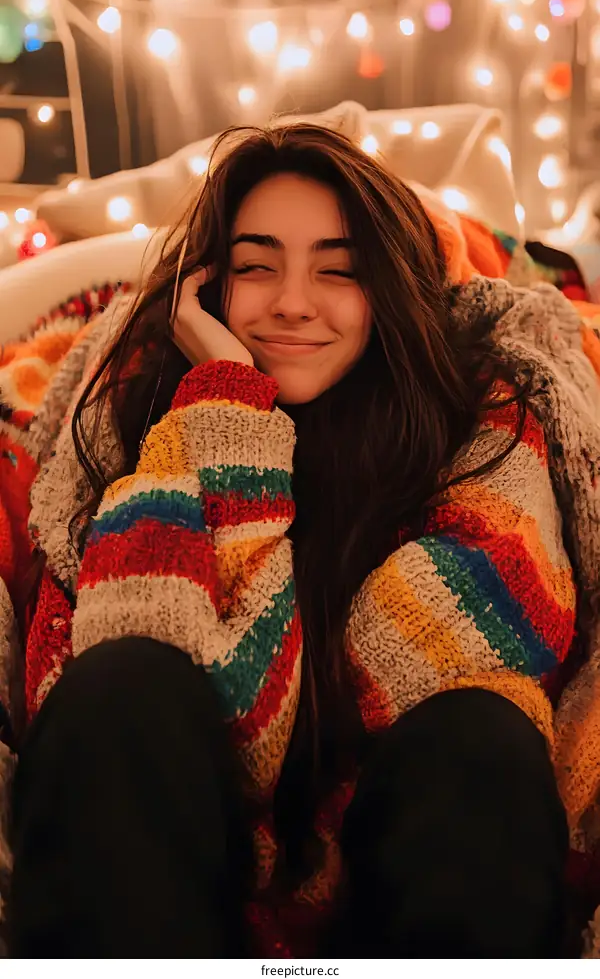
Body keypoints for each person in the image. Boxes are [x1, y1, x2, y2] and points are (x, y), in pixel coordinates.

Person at [5, 123, 600, 959]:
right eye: (255, 266)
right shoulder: (143, 406)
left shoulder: (482, 411)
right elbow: (156, 665)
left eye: (339, 270)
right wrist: (225, 397)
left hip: (399, 851)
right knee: (120, 682)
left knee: (481, 736)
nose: (291, 302)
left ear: (390, 287)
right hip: (175, 863)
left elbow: (434, 664)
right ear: (208, 284)